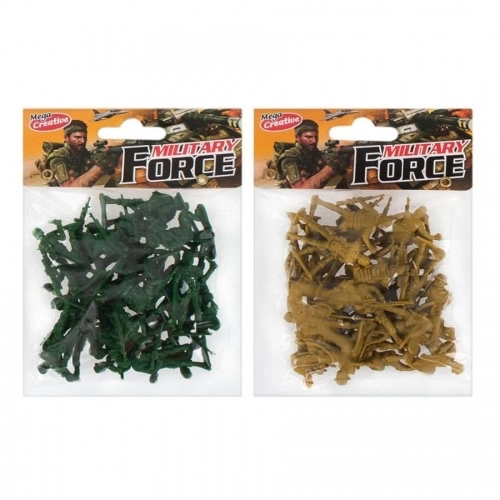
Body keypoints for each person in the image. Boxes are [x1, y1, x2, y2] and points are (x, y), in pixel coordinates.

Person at [44, 120, 111, 187]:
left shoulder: (83, 153)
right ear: (66, 138)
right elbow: (69, 189)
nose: (83, 141)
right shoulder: (58, 159)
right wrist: (99, 168)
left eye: (84, 137)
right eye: (77, 137)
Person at [277, 119, 340, 188]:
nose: (314, 141)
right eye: (308, 137)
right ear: (297, 137)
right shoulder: (290, 159)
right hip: (292, 194)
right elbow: (300, 189)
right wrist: (331, 168)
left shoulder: (314, 153)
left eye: (316, 137)